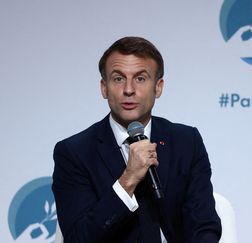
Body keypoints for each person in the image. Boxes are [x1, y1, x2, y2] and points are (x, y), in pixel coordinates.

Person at [52, 36, 222, 243]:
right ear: (104, 88)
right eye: (118, 79)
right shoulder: (74, 153)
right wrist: (128, 179)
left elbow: (204, 225)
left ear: (158, 87)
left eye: (140, 78)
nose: (129, 89)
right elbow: (79, 238)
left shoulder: (186, 141)